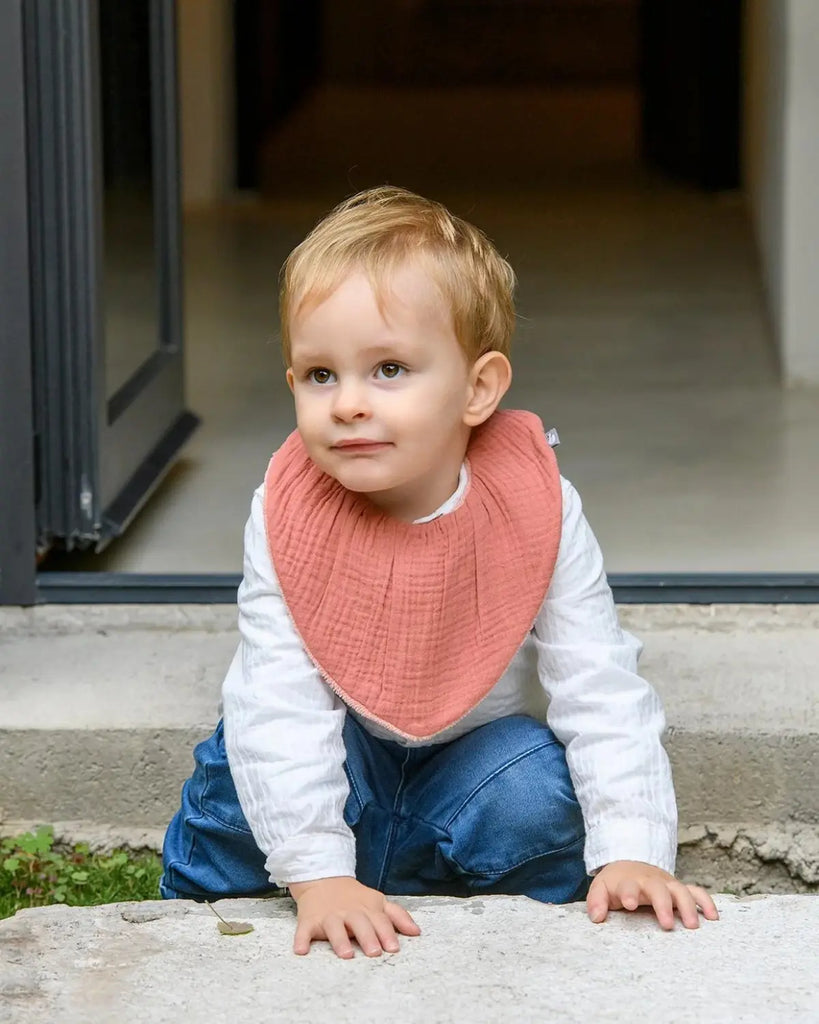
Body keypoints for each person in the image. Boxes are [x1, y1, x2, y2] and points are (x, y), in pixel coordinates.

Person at [161, 186, 718, 958]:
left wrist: (633, 847)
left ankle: (472, 898)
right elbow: (278, 700)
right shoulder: (286, 507)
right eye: (320, 375)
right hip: (340, 765)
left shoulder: (535, 504)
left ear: (478, 388)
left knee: (532, 785)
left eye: (388, 368)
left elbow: (599, 685)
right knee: (243, 752)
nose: (348, 403)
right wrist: (317, 871)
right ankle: (206, 915)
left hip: (468, 782)